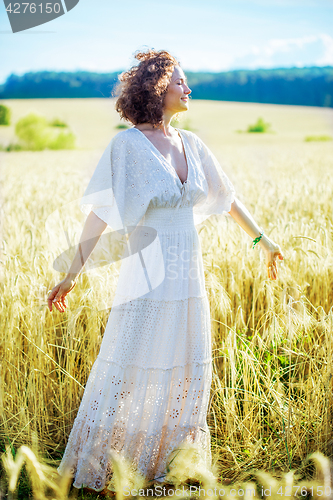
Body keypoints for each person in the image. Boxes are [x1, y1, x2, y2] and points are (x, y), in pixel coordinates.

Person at [47, 49, 283, 494]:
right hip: (146, 278)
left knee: (186, 370)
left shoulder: (192, 143)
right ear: (157, 89)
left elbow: (226, 198)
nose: (188, 89)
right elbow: (100, 212)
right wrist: (71, 273)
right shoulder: (127, 147)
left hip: (188, 278)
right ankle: (110, 463)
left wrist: (264, 242)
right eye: (181, 83)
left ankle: (169, 464)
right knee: (132, 366)